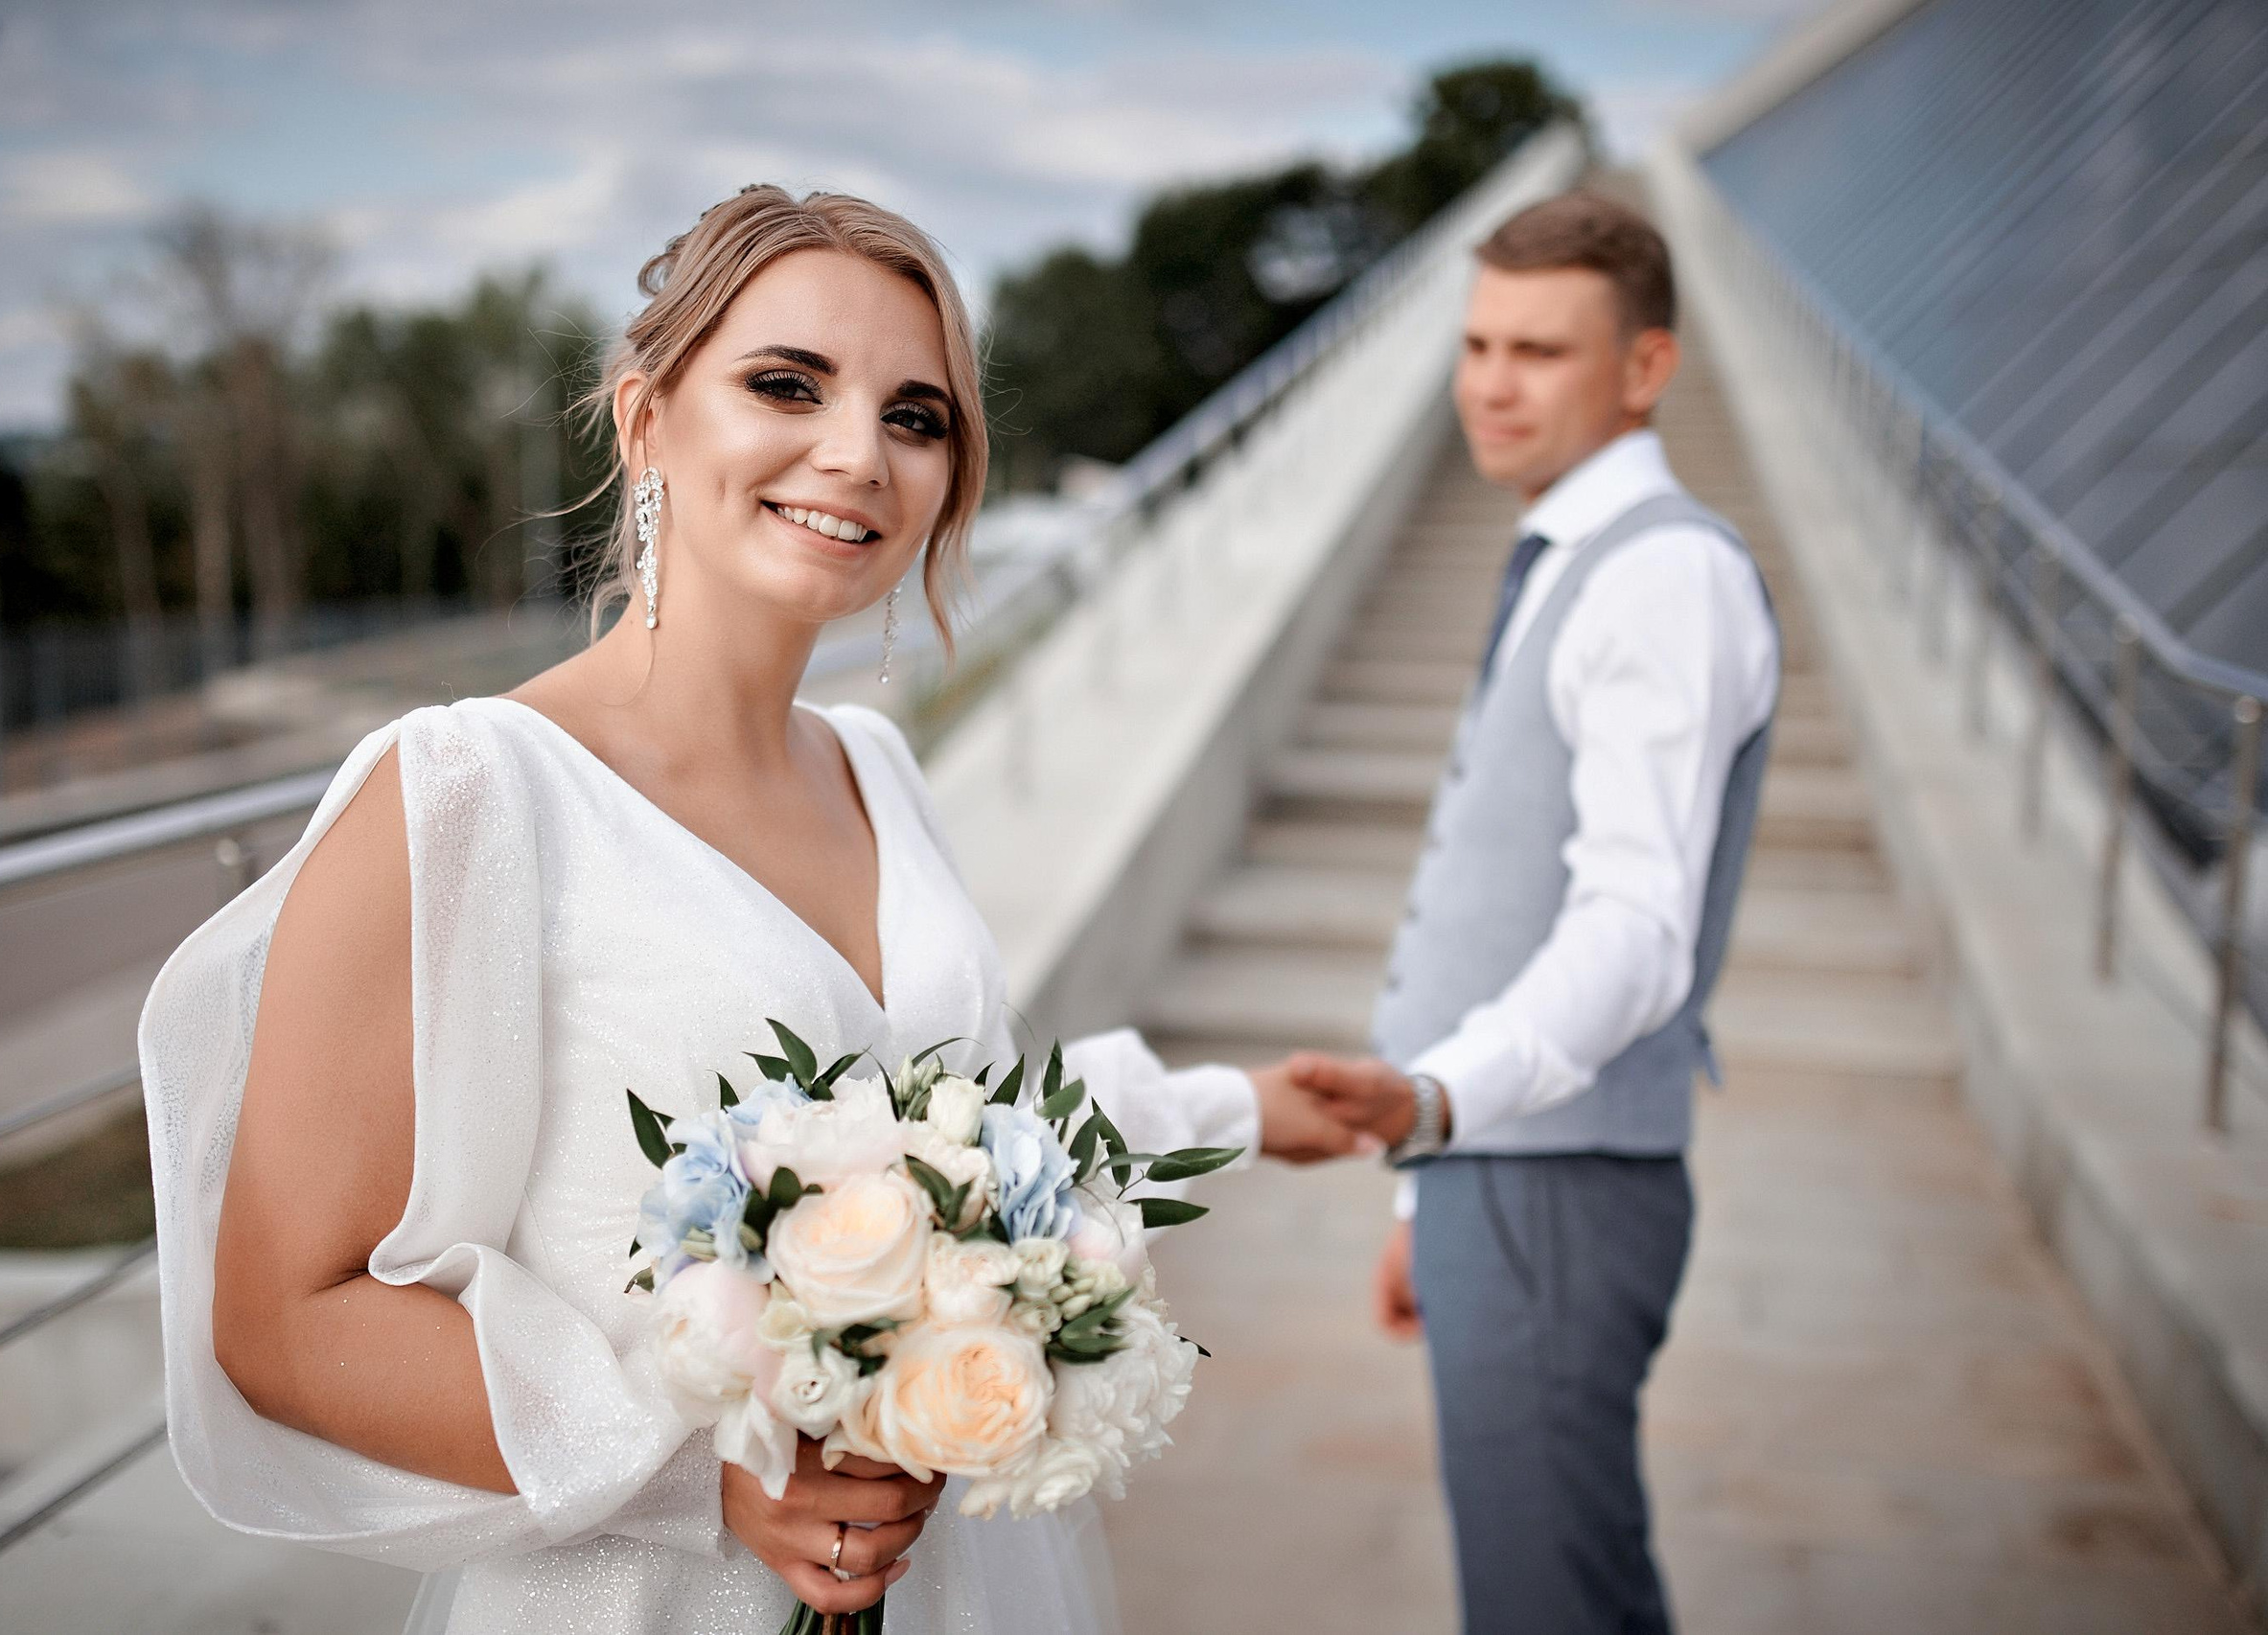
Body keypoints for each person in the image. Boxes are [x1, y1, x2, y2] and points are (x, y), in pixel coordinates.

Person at [137, 185, 1372, 1635]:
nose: (857, 454)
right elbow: (283, 1317)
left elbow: (955, 1131)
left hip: (952, 1585)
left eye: (917, 417)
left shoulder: (877, 764)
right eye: (787, 384)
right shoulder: (471, 788)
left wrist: (1236, 1103)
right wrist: (707, 1477)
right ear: (646, 421)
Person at [1291, 192, 1780, 1634]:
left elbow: (1638, 933)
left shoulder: (1663, 577)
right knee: (1561, 1587)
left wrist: (1440, 1103)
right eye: (1479, 342)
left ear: (1646, 367)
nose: (1491, 384)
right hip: (1502, 1176)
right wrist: (1422, 1191)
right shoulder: (1574, 560)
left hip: (1552, 1181)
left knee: (1546, 1601)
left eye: (1542, 351)